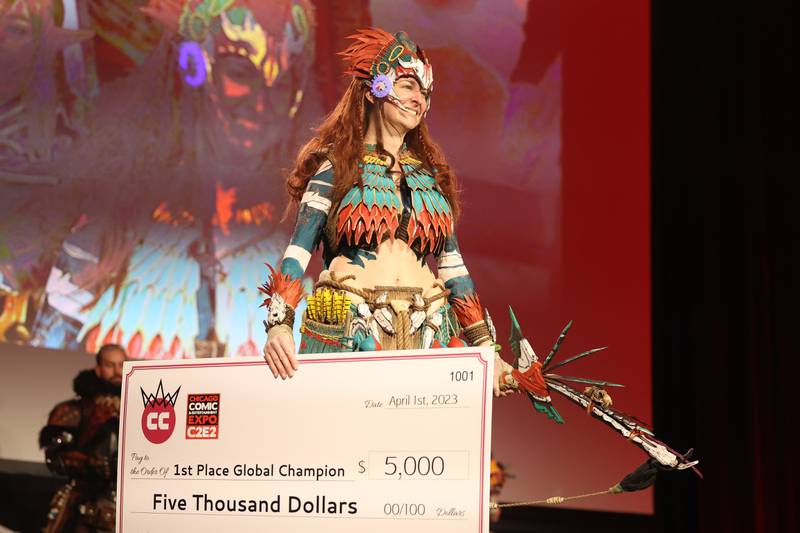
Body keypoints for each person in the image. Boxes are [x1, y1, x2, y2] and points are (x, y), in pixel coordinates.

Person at [261, 27, 514, 396]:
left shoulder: (429, 179)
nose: (420, 100)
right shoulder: (336, 169)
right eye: (410, 85)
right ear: (373, 88)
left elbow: (454, 269)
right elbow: (297, 253)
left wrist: (485, 349)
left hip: (428, 330)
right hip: (352, 328)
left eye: (426, 92)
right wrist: (279, 326)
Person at [39, 344, 126, 532]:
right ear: (98, 368)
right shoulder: (75, 410)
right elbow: (55, 456)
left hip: (126, 504)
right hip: (82, 503)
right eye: (110, 365)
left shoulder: (141, 408)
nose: (117, 371)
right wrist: (89, 462)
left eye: (121, 365)